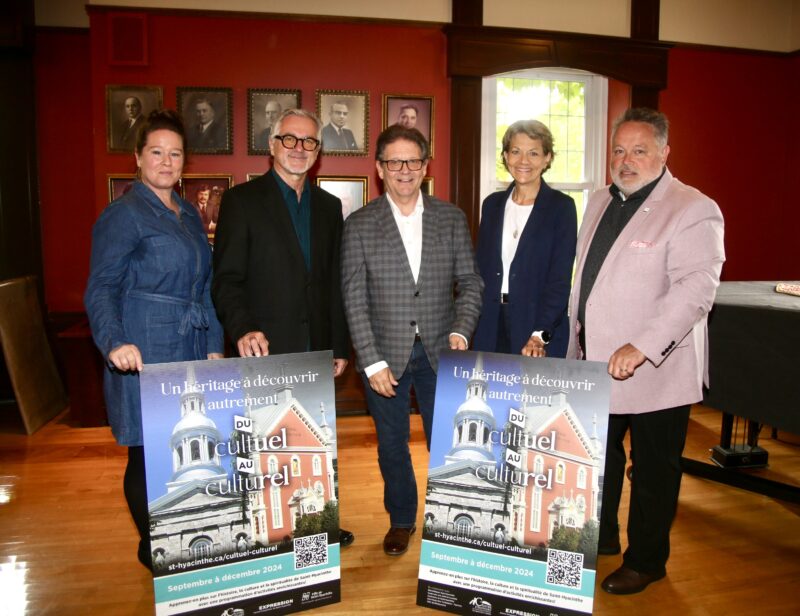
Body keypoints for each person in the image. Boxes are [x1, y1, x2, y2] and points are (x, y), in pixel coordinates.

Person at [566, 108, 724, 594]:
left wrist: (644, 345)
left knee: (654, 469)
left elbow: (697, 289)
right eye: (618, 150)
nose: (625, 160)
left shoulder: (693, 207)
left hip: (656, 368)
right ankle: (603, 539)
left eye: (638, 150)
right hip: (594, 363)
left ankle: (647, 560)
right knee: (601, 460)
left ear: (663, 153)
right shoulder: (597, 200)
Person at [85, 109, 224, 570]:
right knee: (147, 453)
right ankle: (155, 549)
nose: (166, 162)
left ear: (186, 162)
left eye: (176, 154)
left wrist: (214, 342)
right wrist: (113, 342)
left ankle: (186, 539)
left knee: (181, 444)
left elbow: (204, 287)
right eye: (157, 152)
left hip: (190, 344)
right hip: (142, 348)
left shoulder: (186, 212)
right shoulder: (122, 214)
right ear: (138, 158)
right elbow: (101, 287)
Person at [212, 108, 354, 547]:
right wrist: (243, 328)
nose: (299, 149)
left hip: (316, 351)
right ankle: (265, 536)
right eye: (290, 140)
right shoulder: (242, 201)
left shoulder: (330, 207)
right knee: (267, 449)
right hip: (265, 349)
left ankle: (317, 525)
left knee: (313, 445)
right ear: (272, 145)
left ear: (318, 152)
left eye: (308, 142)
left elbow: (335, 282)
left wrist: (339, 345)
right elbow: (227, 279)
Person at [340, 125, 483, 556]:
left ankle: (452, 522)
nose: (404, 170)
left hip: (443, 351)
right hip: (384, 357)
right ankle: (401, 520)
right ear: (380, 168)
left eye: (413, 161)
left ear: (426, 166)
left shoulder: (451, 217)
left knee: (451, 441)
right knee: (392, 444)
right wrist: (370, 360)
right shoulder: (360, 225)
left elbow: (471, 283)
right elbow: (353, 297)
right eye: (394, 162)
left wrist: (461, 330)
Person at [472, 120, 577, 358]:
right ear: (506, 156)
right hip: (489, 324)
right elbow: (479, 271)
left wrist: (540, 333)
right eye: (516, 152)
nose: (523, 161)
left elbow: (560, 280)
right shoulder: (492, 205)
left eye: (533, 153)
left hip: (536, 327)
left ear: (547, 158)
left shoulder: (562, 208)